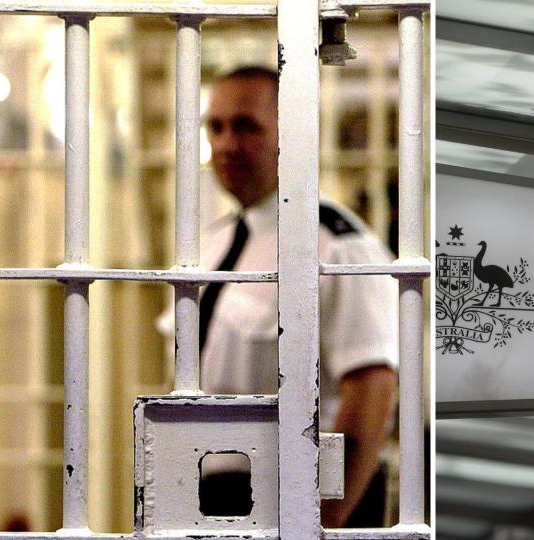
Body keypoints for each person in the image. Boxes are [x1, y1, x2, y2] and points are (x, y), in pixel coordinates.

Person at [162, 66, 398, 527]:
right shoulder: (212, 244)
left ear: (290, 135)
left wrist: (321, 518)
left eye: (246, 127)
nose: (227, 144)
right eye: (216, 126)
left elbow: (372, 388)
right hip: (207, 491)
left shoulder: (337, 245)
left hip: (297, 495)